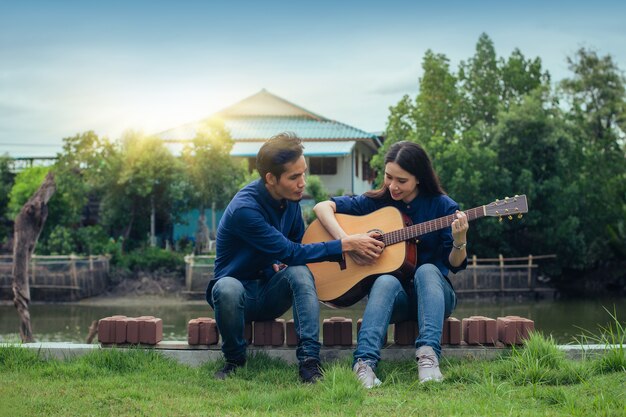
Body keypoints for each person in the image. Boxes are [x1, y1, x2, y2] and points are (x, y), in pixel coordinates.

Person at [207, 132, 383, 383]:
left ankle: (310, 363)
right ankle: (234, 361)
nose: (303, 182)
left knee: (299, 272)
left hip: (270, 292)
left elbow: (301, 248)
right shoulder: (245, 209)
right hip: (237, 299)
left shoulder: (290, 200)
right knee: (226, 287)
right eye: (294, 177)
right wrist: (345, 244)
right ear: (270, 178)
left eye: (304, 173)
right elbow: (290, 251)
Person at [313, 141, 468, 388]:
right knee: (385, 280)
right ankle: (363, 364)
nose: (393, 186)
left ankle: (428, 359)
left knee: (427, 270)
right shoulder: (376, 202)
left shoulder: (443, 207)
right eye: (388, 177)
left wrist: (459, 241)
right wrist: (347, 241)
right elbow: (322, 207)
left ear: (419, 178)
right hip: (394, 301)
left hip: (434, 297)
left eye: (401, 181)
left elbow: (455, 264)